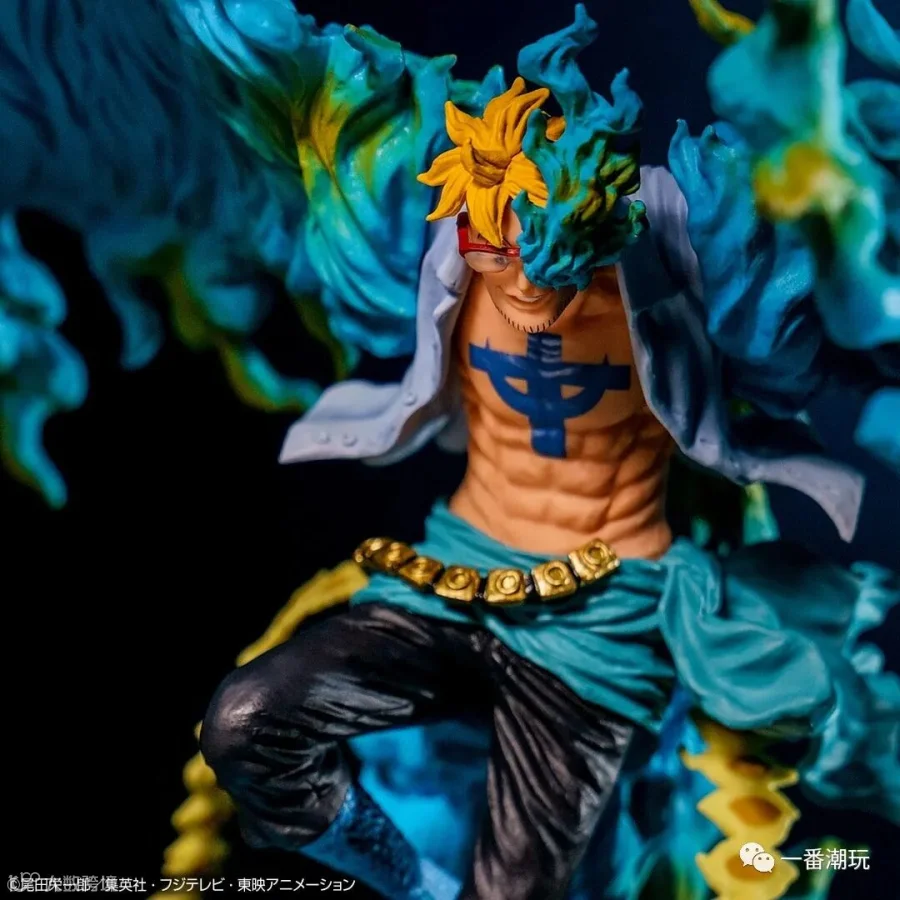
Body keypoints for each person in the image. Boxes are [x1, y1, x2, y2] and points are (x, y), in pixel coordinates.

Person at [198, 8, 898, 900]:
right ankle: (412, 882)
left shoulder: (676, 247)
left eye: (559, 267)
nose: (526, 287)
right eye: (499, 252)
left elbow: (824, 250)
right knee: (248, 722)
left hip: (599, 628)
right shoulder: (441, 235)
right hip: (448, 580)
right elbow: (301, 117)